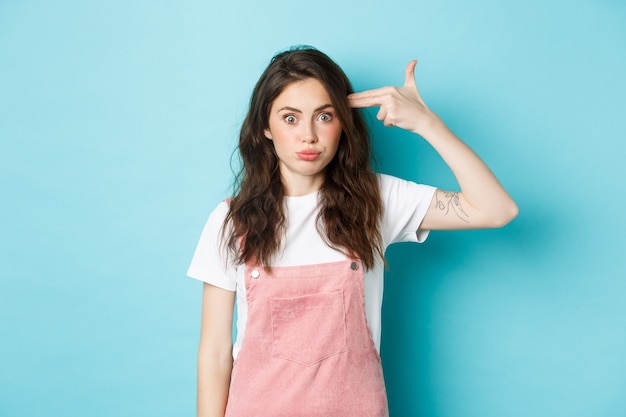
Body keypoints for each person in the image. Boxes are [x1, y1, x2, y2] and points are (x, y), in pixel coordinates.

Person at [187, 46, 518, 417]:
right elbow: (214, 353)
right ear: (265, 127)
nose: (308, 135)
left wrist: (427, 123)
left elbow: (497, 209)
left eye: (324, 116)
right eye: (290, 118)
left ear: (343, 123)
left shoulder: (377, 200)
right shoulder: (231, 221)